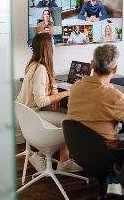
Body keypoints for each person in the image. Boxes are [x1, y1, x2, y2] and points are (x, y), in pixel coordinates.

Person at [15, 33, 81, 172]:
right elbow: (40, 101)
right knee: (69, 124)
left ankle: (64, 161)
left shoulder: (36, 64)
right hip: (31, 114)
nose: (55, 46)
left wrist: (55, 93)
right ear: (47, 47)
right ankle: (41, 157)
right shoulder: (40, 69)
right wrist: (68, 92)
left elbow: (51, 84)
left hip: (26, 112)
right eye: (53, 43)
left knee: (64, 117)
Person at [67, 44, 124, 149]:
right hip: (105, 154)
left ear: (91, 64)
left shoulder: (76, 86)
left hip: (78, 150)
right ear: (115, 69)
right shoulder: (113, 96)